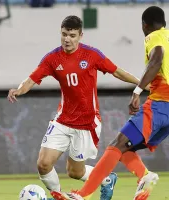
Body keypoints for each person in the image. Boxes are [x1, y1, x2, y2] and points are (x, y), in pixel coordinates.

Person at [7, 15, 144, 200]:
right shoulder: (53, 58)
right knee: (43, 164)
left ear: (80, 35)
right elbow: (32, 78)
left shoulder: (92, 55)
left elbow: (117, 71)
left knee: (74, 172)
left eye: (72, 35)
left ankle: (106, 179)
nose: (67, 39)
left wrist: (141, 84)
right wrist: (19, 90)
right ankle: (58, 195)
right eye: (64, 34)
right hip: (62, 120)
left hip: (87, 123)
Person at [50, 6, 169, 200]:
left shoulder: (154, 36)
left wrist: (138, 90)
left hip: (160, 104)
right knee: (124, 148)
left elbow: (156, 59)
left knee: (115, 146)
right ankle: (144, 176)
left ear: (144, 25)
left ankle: (82, 194)